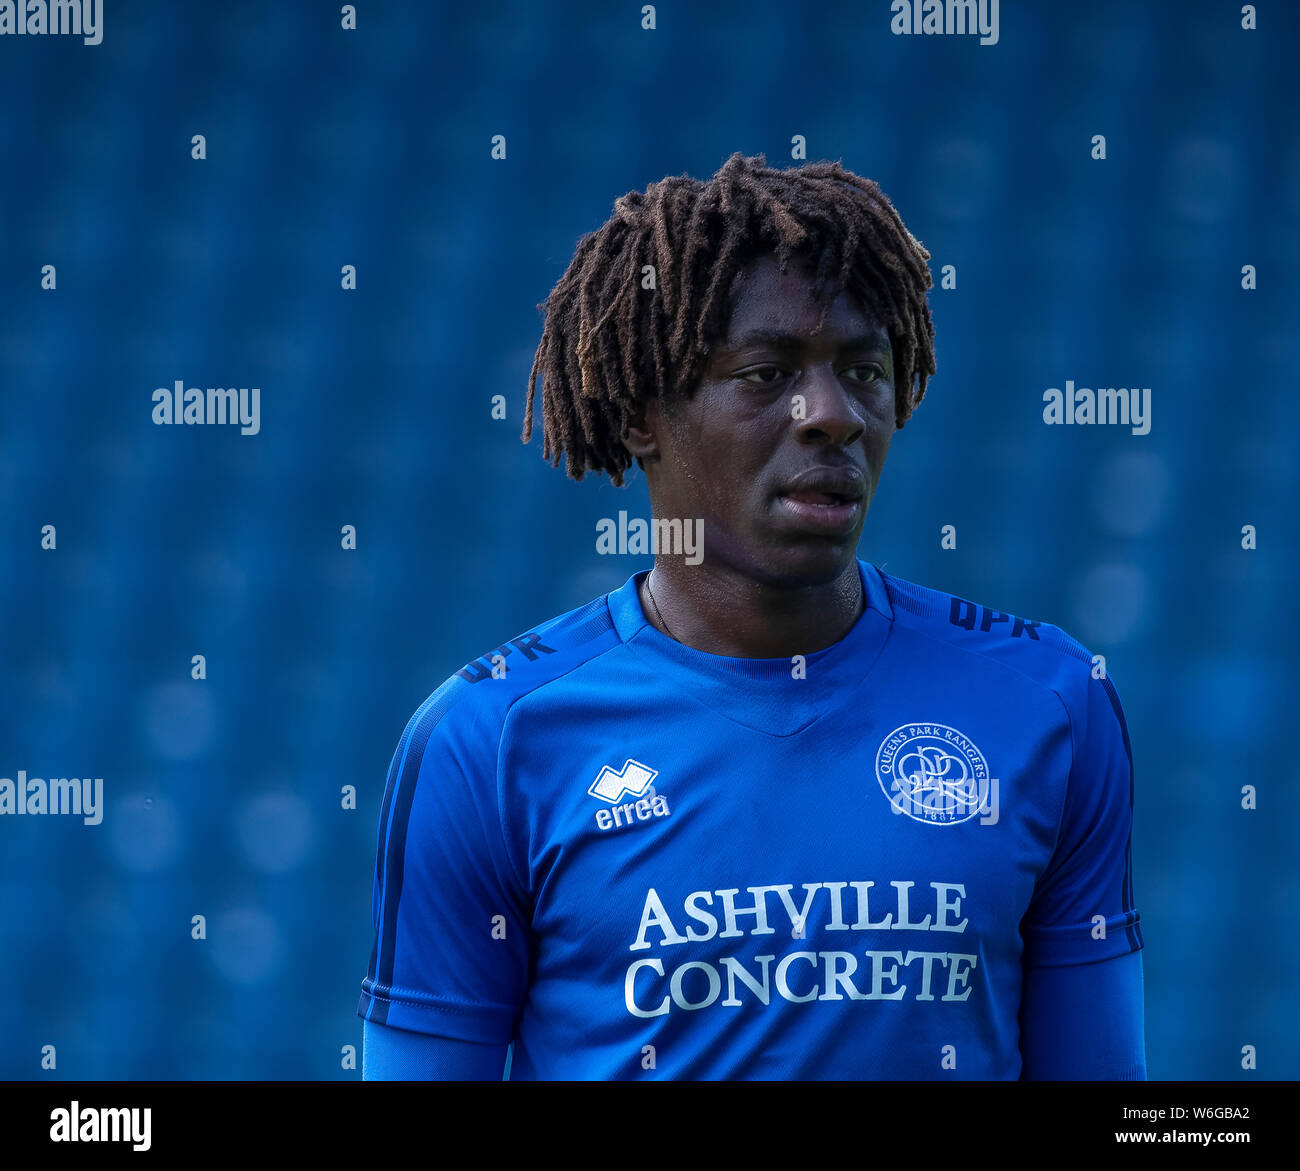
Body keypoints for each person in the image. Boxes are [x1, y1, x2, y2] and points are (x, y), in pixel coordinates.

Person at [357, 152, 1145, 1080]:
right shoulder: (487, 741)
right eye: (768, 373)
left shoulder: (1048, 702)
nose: (833, 415)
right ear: (646, 410)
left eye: (864, 370)